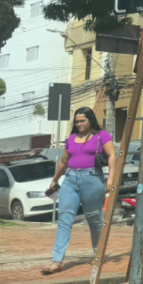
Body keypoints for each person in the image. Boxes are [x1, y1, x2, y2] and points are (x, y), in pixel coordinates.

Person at [42, 107, 116, 274]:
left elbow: (112, 155)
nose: (79, 124)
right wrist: (55, 179)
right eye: (77, 121)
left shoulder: (102, 136)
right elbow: (64, 160)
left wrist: (111, 178)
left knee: (94, 219)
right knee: (64, 219)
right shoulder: (72, 138)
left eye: (82, 120)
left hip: (93, 179)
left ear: (90, 120)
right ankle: (57, 261)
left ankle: (98, 255)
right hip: (70, 180)